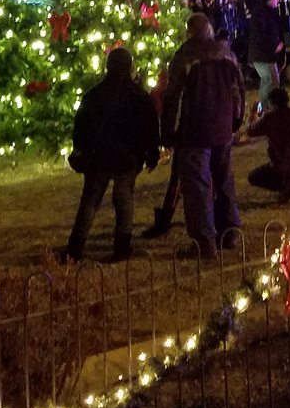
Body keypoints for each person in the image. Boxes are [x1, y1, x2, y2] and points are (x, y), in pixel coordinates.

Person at [159, 14, 247, 259]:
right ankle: (230, 233)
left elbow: (173, 98)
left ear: (189, 32)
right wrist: (235, 121)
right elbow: (239, 90)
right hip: (222, 128)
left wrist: (168, 133)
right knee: (224, 180)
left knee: (198, 188)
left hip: (194, 131)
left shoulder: (185, 56)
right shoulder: (227, 54)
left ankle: (205, 242)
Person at [64, 46, 161, 264]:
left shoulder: (94, 95)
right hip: (127, 158)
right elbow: (150, 129)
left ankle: (75, 248)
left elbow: (81, 127)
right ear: (130, 67)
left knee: (90, 202)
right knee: (124, 200)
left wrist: (81, 150)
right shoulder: (139, 96)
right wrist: (151, 154)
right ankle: (122, 246)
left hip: (99, 157)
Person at [245, 87, 290, 202]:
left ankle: (284, 186)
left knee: (254, 176)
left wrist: (253, 115)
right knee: (285, 164)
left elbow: (250, 130)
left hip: (284, 164)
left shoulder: (270, 117)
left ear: (271, 102)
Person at [248, 0, 285, 120]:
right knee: (268, 80)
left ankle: (270, 109)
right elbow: (260, 35)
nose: (277, 0)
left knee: (272, 81)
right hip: (262, 55)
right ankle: (263, 111)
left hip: (267, 55)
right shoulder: (260, 14)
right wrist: (273, 46)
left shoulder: (266, 13)